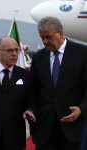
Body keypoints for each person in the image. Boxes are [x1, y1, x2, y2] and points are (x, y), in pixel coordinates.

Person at [23, 16, 87, 150]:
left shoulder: (82, 53)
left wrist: (81, 109)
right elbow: (34, 92)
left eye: (49, 37)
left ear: (60, 33)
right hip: (45, 130)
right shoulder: (39, 57)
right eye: (42, 38)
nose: (45, 41)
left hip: (73, 129)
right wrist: (31, 116)